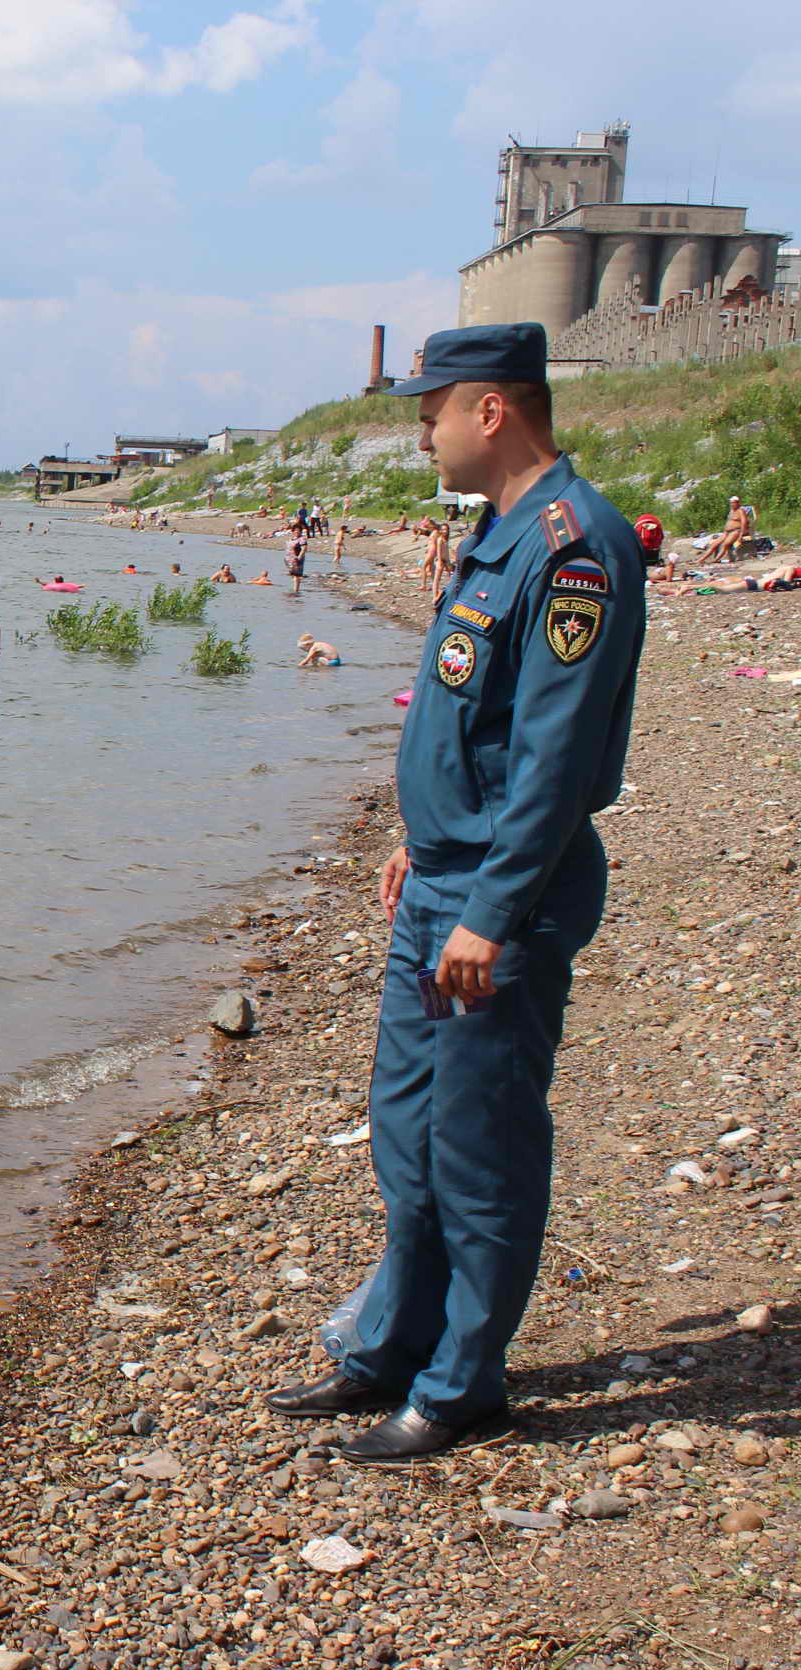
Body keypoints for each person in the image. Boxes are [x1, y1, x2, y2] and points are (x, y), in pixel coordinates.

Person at [265, 322, 645, 1463]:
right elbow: (468, 725)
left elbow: (555, 761)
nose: (420, 430)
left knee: (478, 1149)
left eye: (432, 410)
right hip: (440, 877)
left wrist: (490, 905)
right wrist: (416, 839)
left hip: (496, 900)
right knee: (408, 1135)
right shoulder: (495, 538)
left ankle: (463, 1382)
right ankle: (388, 1351)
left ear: (492, 412)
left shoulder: (575, 549)